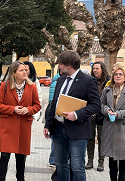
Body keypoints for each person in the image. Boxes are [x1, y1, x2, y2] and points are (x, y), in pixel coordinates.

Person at [43, 50, 101, 181]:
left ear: (68, 65)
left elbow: (96, 105)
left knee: (77, 166)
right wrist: (48, 125)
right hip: (58, 129)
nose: (59, 66)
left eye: (60, 64)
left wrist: (77, 114)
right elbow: (54, 104)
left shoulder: (88, 81)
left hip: (78, 130)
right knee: (61, 165)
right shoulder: (60, 79)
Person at [0, 61, 41, 181]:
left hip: (24, 127)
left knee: (21, 157)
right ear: (14, 73)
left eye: (25, 70)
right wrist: (12, 109)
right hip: (8, 127)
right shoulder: (5, 85)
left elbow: (37, 106)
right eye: (21, 70)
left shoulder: (32, 87)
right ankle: (0, 179)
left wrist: (28, 110)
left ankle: (20, 179)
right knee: (4, 156)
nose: (25, 72)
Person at [100, 66, 125, 181]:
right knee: (112, 160)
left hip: (124, 129)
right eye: (116, 74)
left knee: (123, 160)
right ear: (113, 77)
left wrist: (118, 114)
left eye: (120, 74)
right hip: (110, 128)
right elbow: (101, 105)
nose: (118, 76)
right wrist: (107, 110)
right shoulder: (107, 90)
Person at [85, 61, 111, 171]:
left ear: (102, 69)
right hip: (91, 113)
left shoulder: (109, 82)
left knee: (102, 138)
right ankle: (90, 160)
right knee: (90, 137)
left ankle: (101, 162)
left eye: (97, 68)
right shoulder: (90, 81)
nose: (95, 70)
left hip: (103, 114)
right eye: (94, 68)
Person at [47, 70, 61, 167]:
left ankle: (52, 159)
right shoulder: (58, 83)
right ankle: (53, 159)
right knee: (56, 139)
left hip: (54, 112)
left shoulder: (54, 82)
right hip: (58, 111)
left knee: (54, 140)